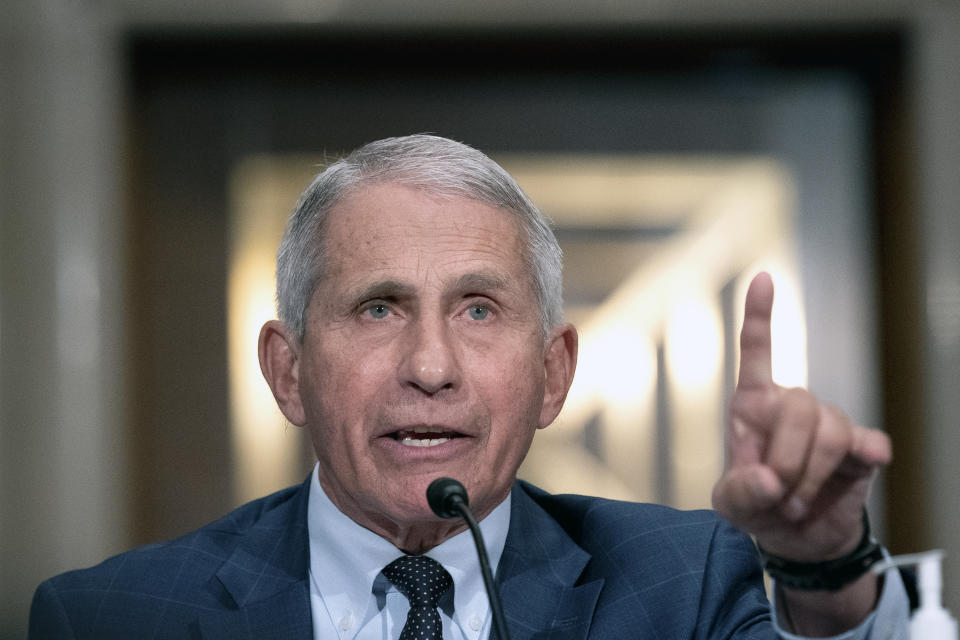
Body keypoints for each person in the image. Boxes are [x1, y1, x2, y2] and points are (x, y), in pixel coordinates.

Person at [29, 134, 909, 639]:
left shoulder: (680, 587)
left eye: (479, 310)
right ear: (287, 372)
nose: (431, 365)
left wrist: (824, 563)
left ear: (554, 375)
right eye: (378, 309)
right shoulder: (108, 619)